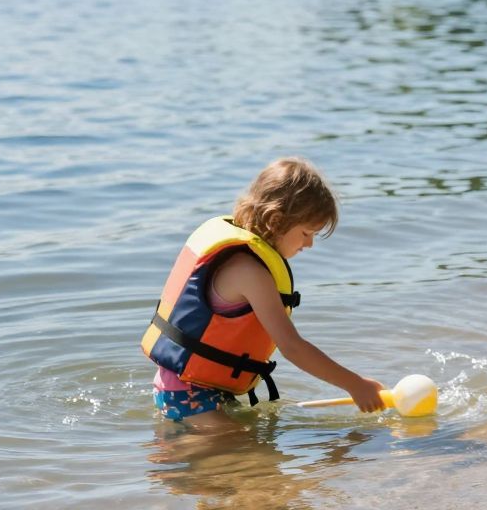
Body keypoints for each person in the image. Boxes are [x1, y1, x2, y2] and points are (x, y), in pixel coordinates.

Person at [141, 156, 385, 423]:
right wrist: (355, 384)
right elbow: (292, 347)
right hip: (191, 393)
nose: (310, 244)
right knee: (239, 461)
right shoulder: (250, 272)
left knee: (244, 456)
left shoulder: (248, 262)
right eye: (306, 233)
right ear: (275, 220)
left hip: (186, 386)